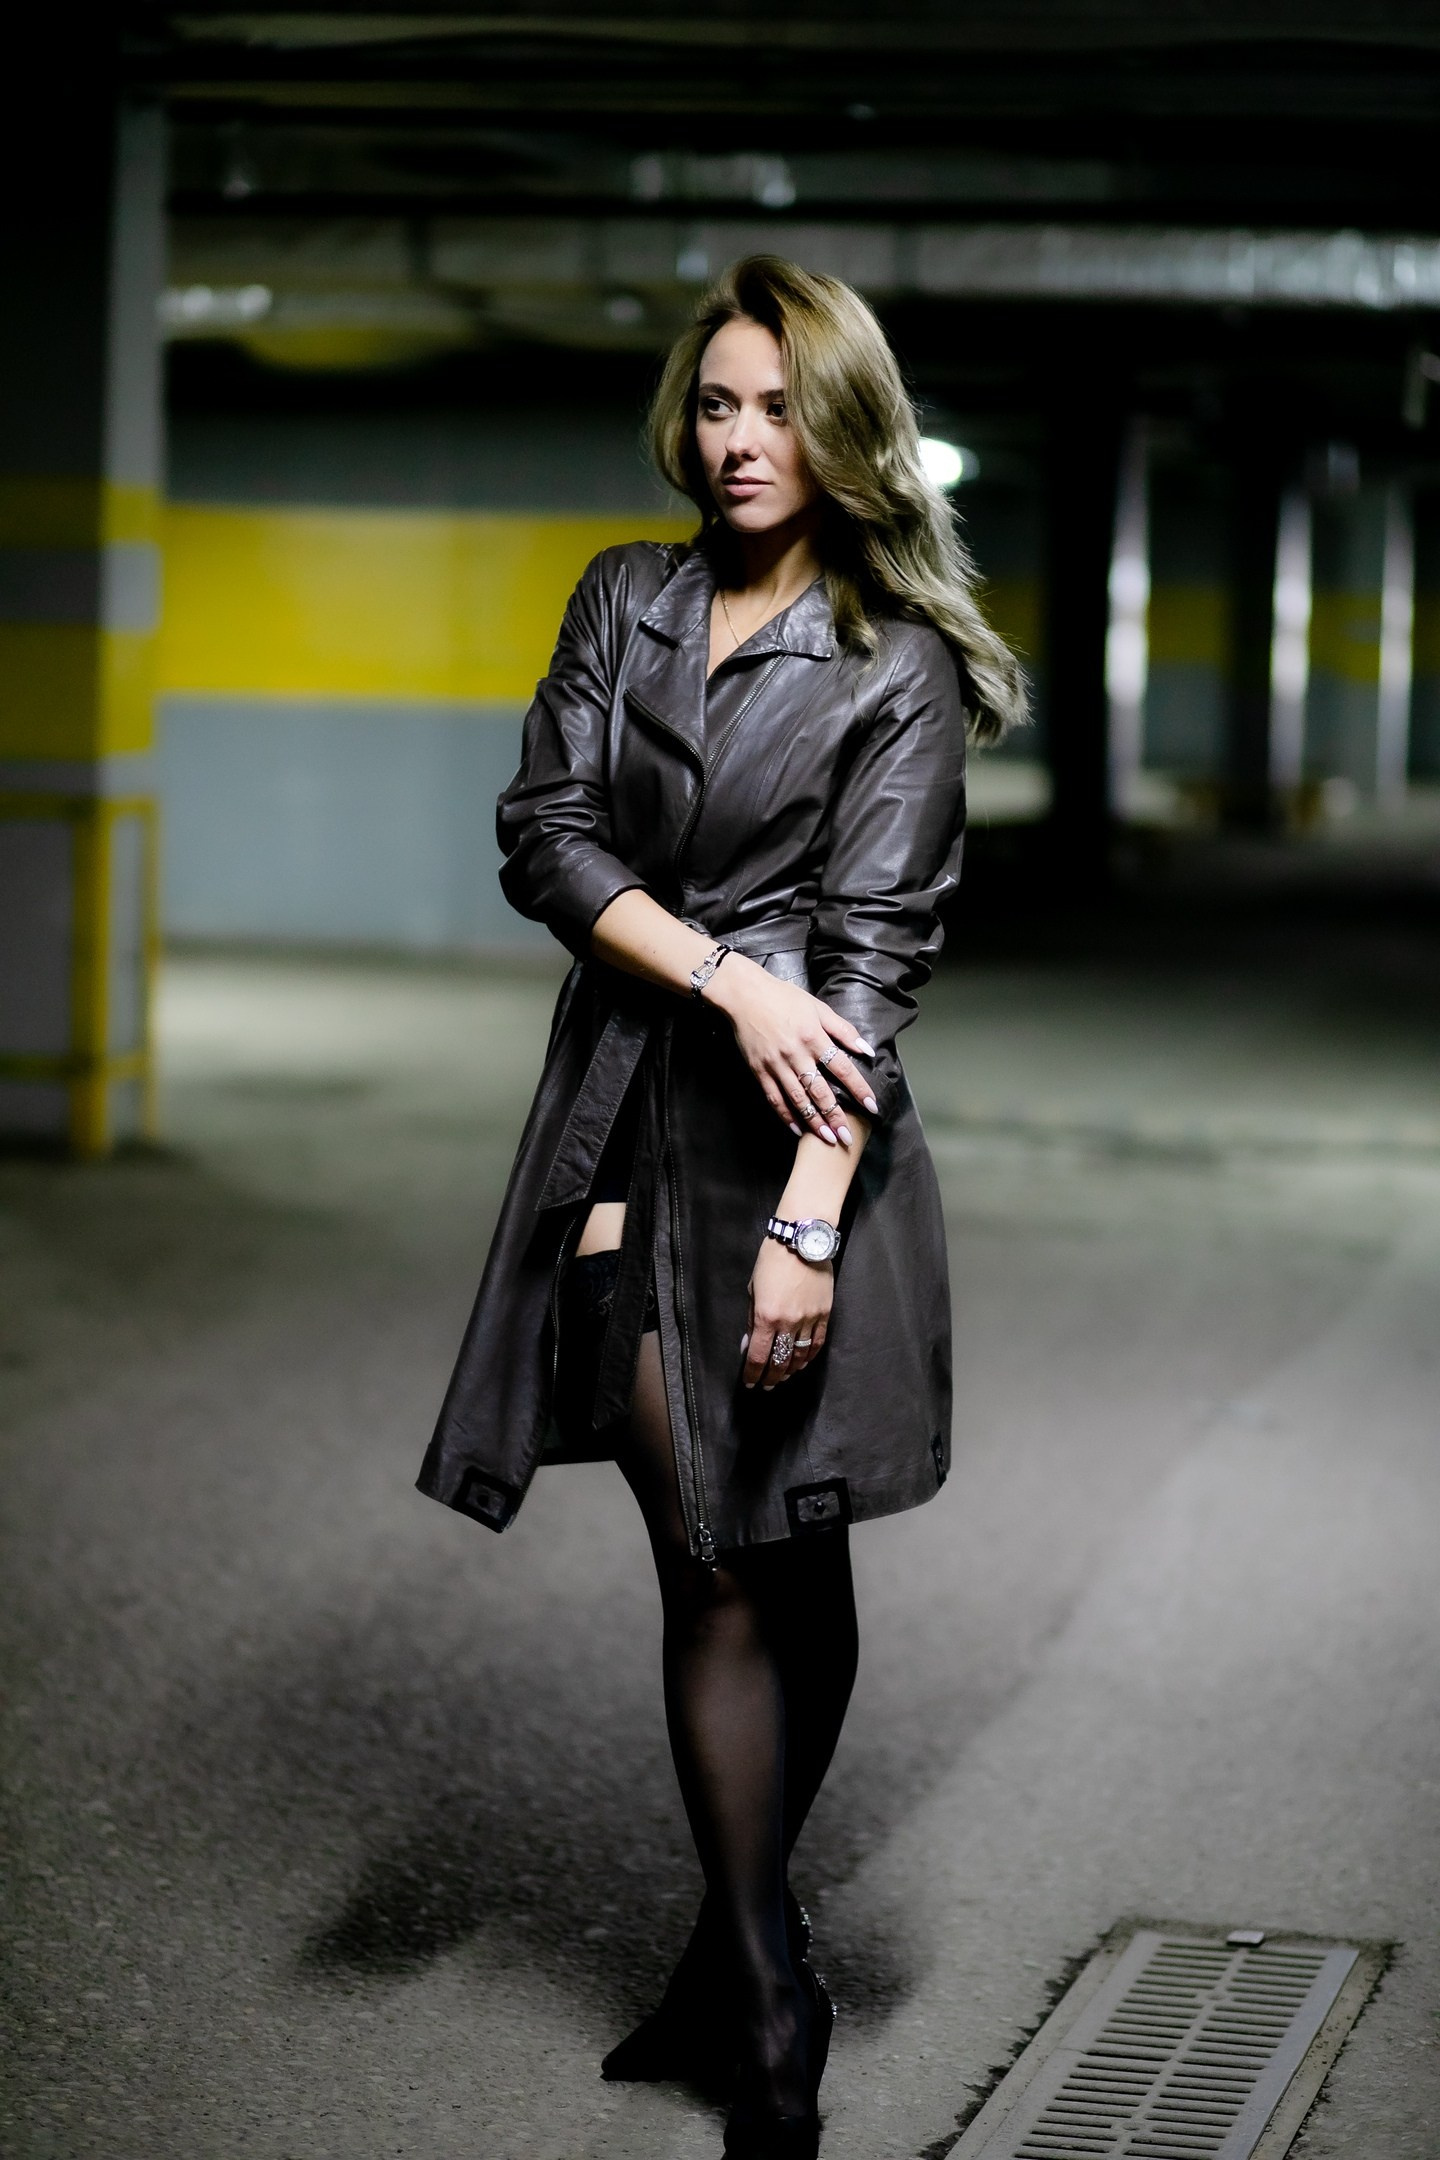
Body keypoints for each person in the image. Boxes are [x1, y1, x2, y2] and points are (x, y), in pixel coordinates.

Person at [418, 254, 1025, 2158]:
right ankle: (766, 1982)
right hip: (628, 1109)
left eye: (780, 408)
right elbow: (545, 835)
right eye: (717, 403)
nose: (741, 440)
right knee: (716, 1549)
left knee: (788, 1554)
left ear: (845, 432)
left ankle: (727, 1966)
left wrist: (810, 1225)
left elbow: (875, 961)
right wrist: (723, 979)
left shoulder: (894, 663)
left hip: (803, 1145)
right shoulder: (629, 595)